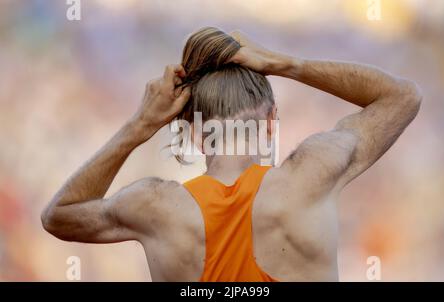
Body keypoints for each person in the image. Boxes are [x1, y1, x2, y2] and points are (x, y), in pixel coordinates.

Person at [41, 27, 422, 281]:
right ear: (271, 121)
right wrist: (286, 64)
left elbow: (59, 216)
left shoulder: (154, 207)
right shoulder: (314, 174)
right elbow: (402, 97)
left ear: (192, 133)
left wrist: (140, 125)